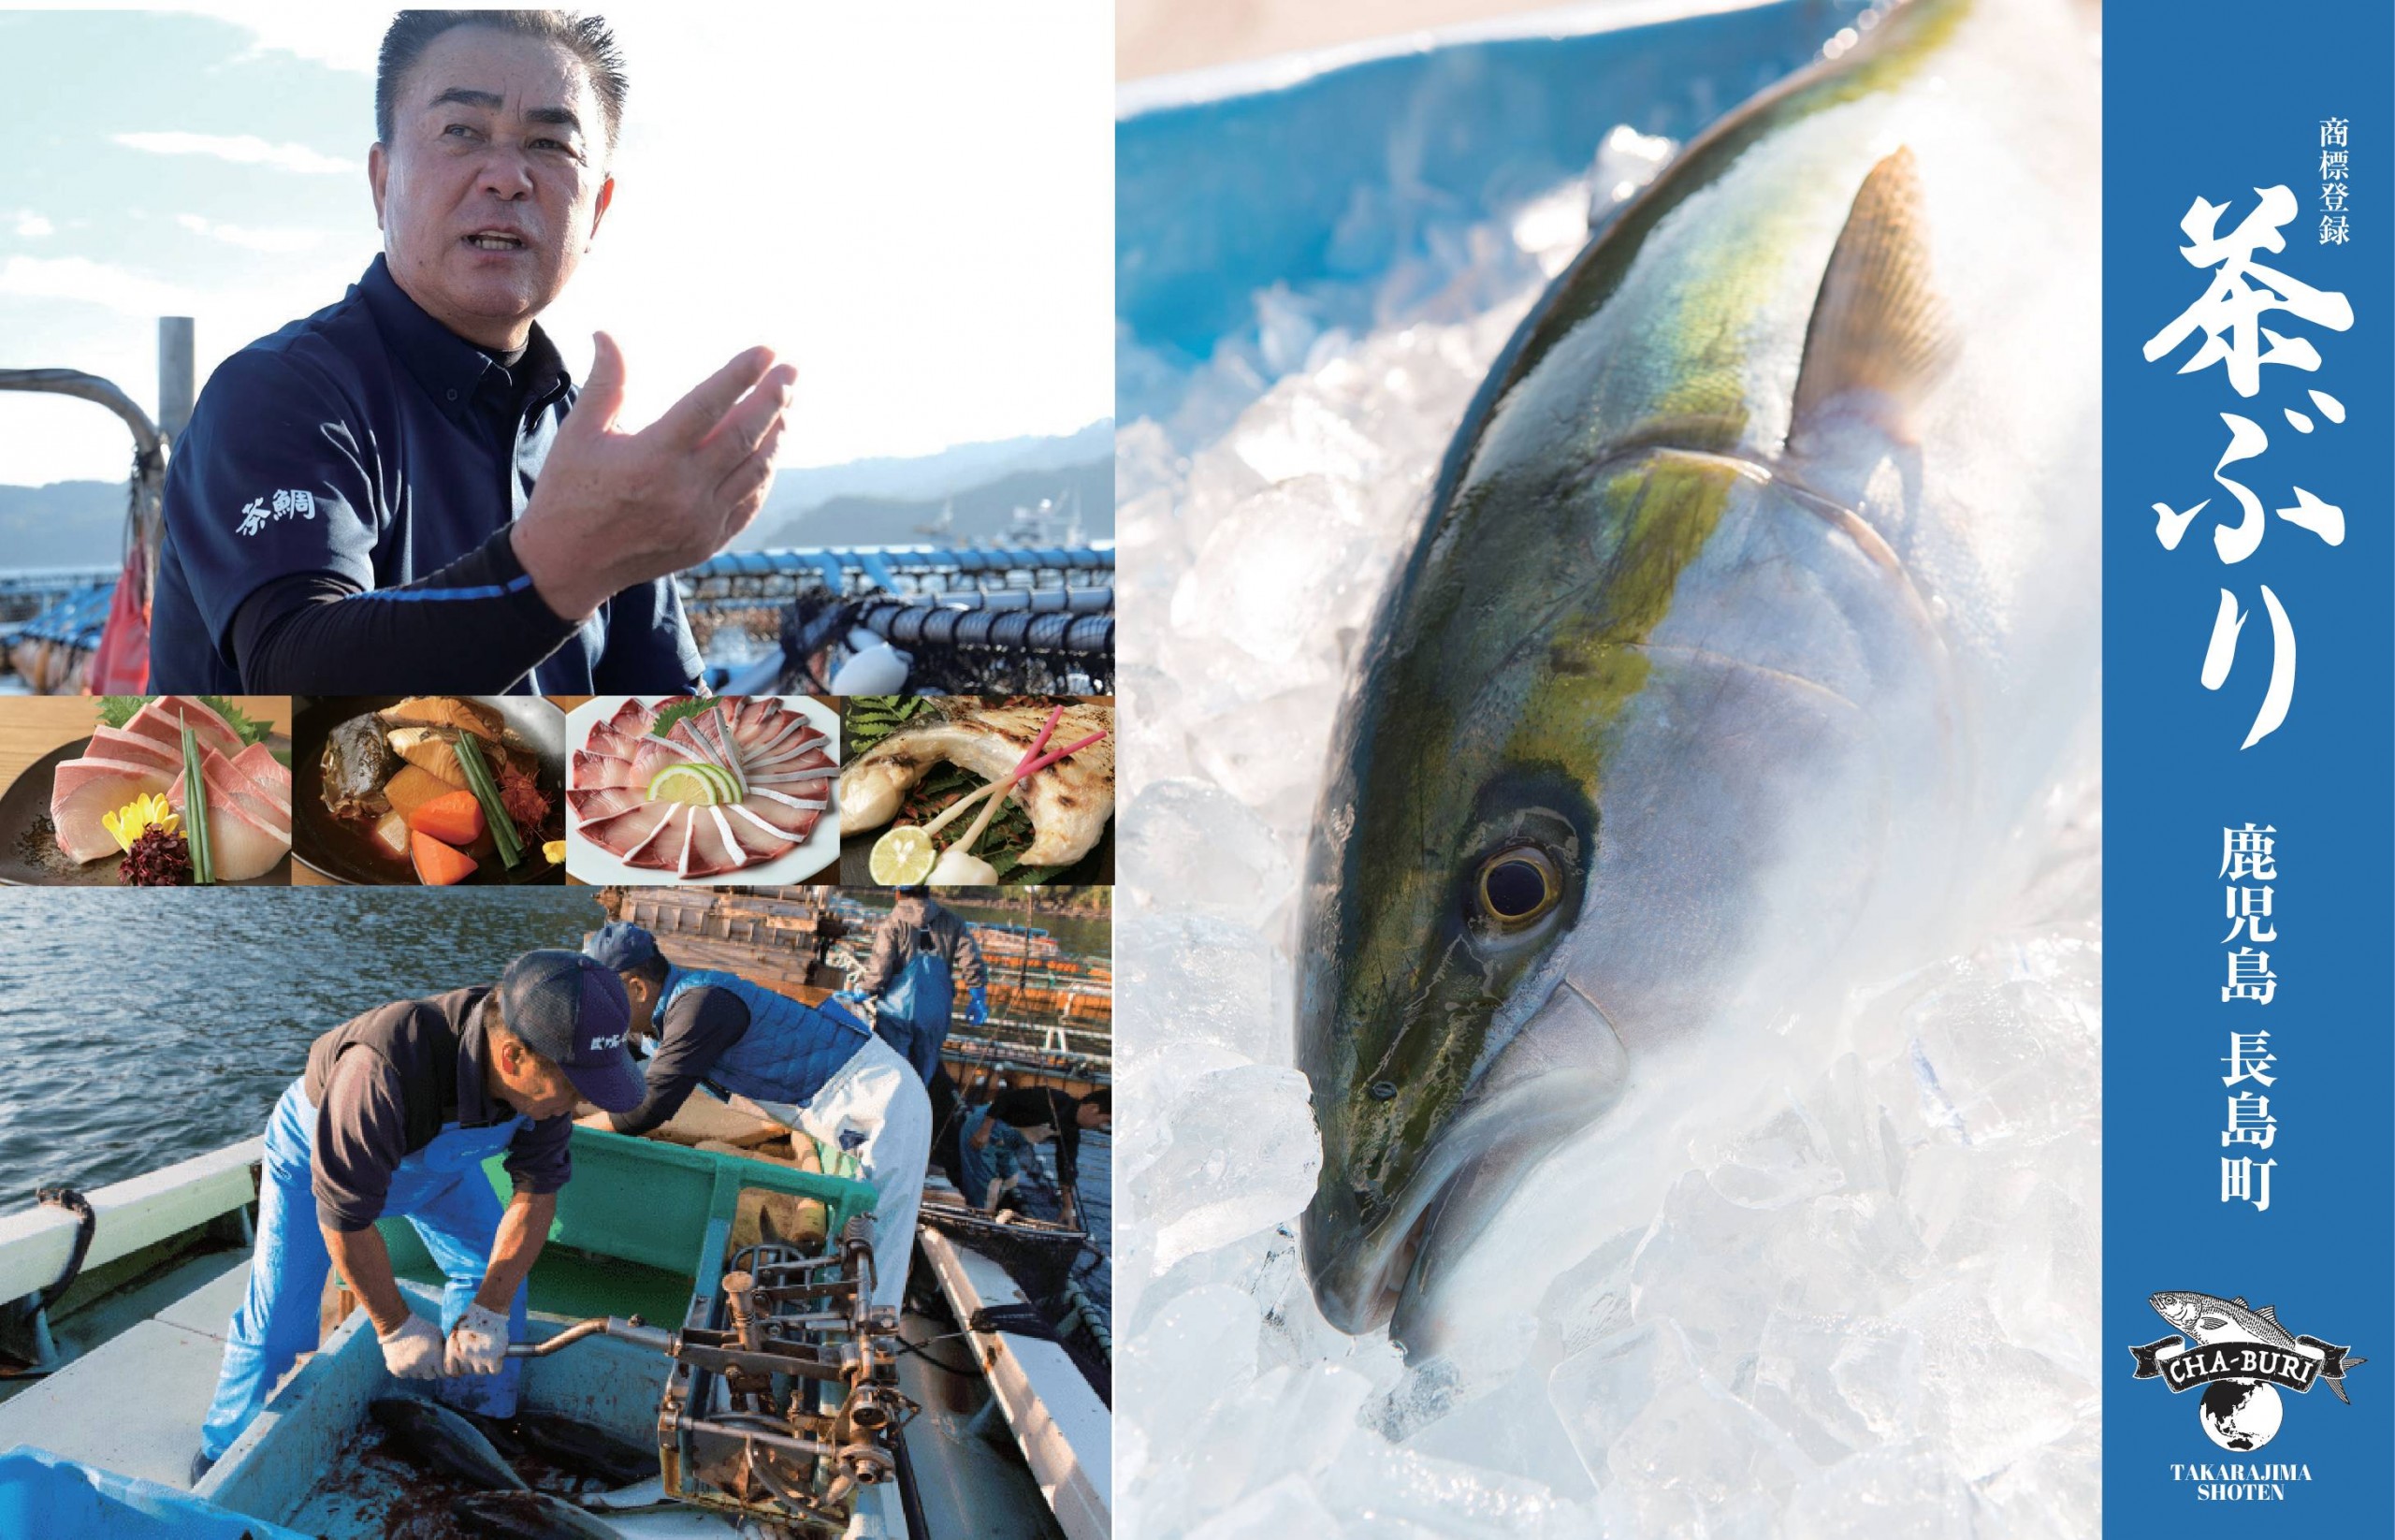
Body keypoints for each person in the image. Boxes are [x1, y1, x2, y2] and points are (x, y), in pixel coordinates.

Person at [150, 9, 796, 693]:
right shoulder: (278, 394)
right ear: (381, 180)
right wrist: (559, 567)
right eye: (462, 131)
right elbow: (296, 672)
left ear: (597, 211)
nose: (507, 177)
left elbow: (664, 725)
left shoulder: (581, 442)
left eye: (550, 143)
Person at [195, 950, 643, 1477]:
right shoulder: (380, 1069)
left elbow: (538, 1190)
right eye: (573, 1088)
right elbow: (345, 1219)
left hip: (438, 1167)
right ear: (511, 1058)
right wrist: (393, 1326)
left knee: (495, 1275)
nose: (576, 1106)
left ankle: (472, 1414)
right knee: (279, 1317)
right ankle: (224, 1451)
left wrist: (489, 1310)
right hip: (320, 1159)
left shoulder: (544, 1059)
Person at [581, 921, 930, 1311]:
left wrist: (573, 1132)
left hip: (881, 1099)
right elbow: (612, 1057)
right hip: (835, 1106)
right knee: (853, 1240)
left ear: (637, 989)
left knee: (876, 1245)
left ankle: (871, 1348)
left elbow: (648, 1109)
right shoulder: (666, 1013)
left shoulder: (700, 1006)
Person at [846, 887, 987, 1086]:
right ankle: (916, 1111)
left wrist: (864, 991)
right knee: (921, 1077)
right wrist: (978, 994)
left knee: (890, 1072)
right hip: (934, 1012)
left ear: (897, 893)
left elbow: (880, 968)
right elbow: (970, 959)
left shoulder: (892, 924)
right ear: (928, 892)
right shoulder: (953, 921)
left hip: (896, 1012)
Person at [955, 1086, 1110, 1226]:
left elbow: (1066, 1168)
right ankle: (978, 1223)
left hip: (1005, 1144)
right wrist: (984, 1130)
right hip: (984, 1129)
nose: (1101, 1126)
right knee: (987, 1187)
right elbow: (1005, 1099)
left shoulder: (1071, 1131)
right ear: (1094, 1108)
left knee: (1010, 1180)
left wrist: (1068, 1207)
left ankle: (989, 1212)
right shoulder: (1052, 1099)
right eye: (1105, 1120)